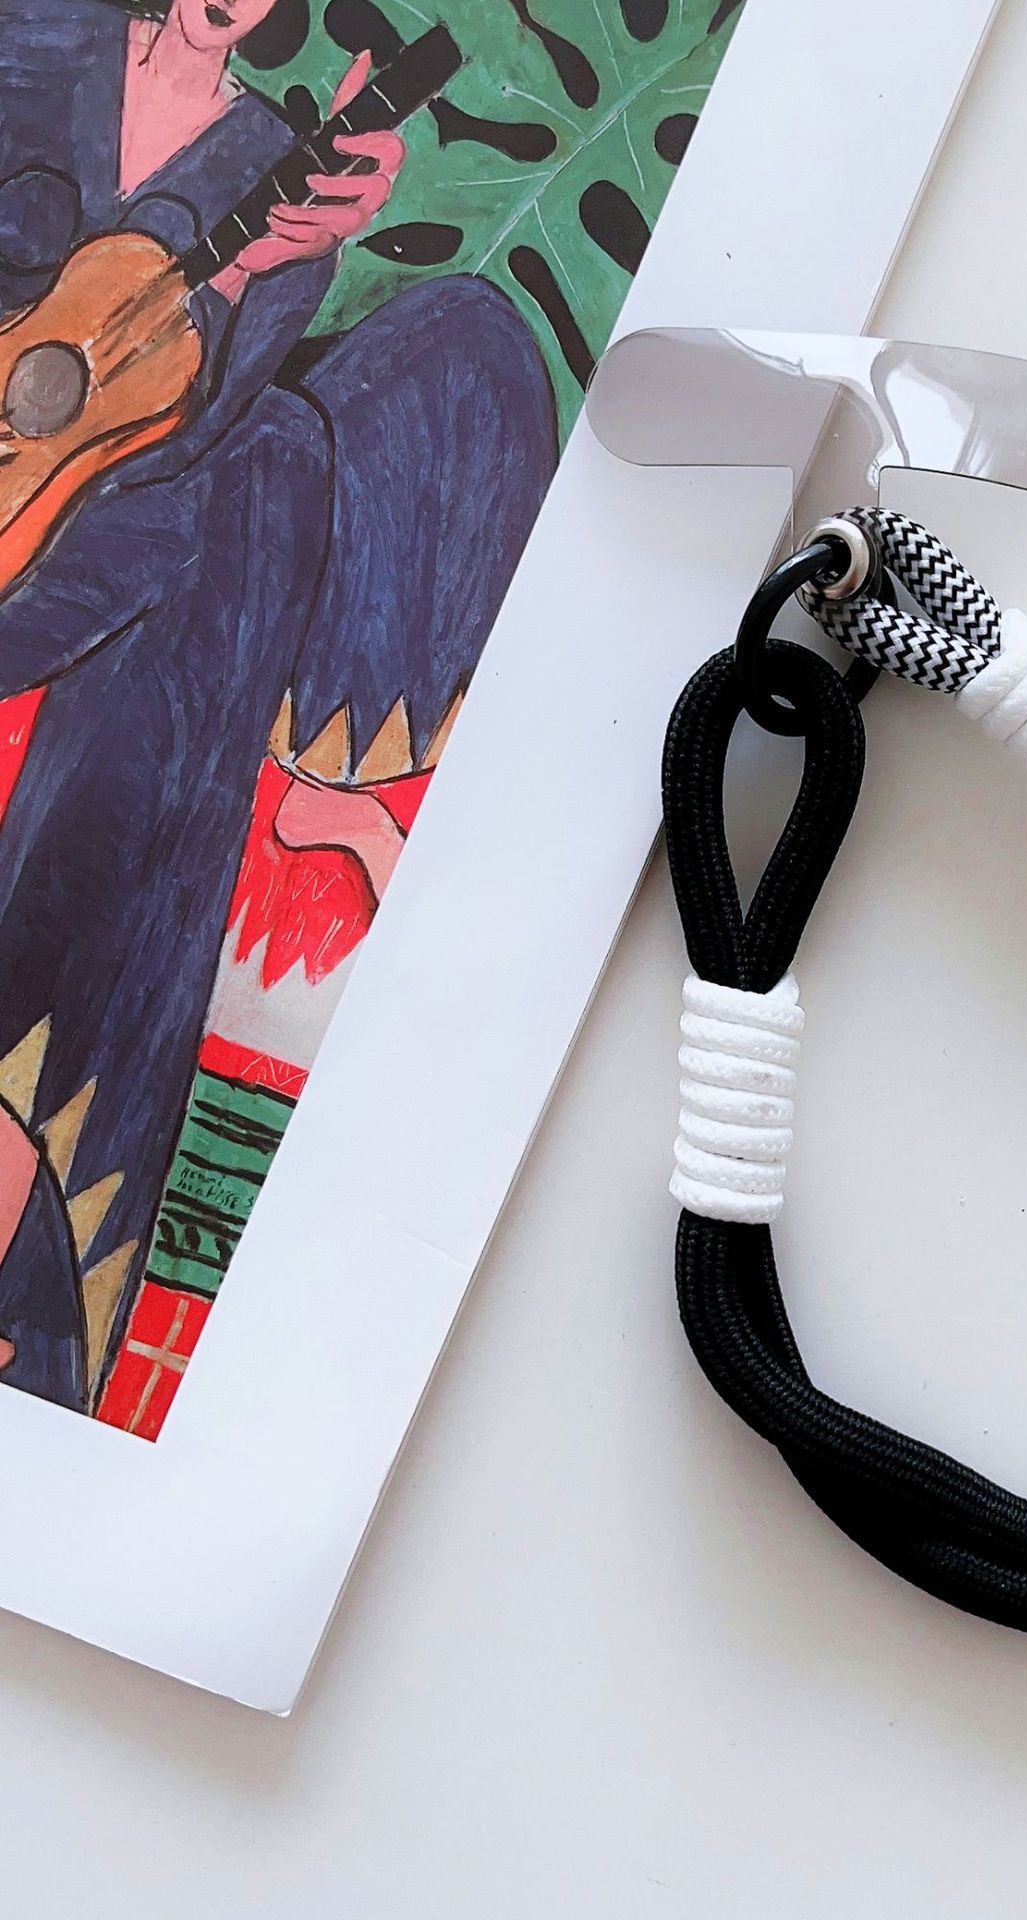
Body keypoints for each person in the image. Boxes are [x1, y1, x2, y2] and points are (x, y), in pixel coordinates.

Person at [0, 0, 557, 1410]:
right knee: (257, 492)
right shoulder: (33, 36)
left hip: (97, 530)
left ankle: (59, 1216)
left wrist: (272, 267)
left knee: (360, 415)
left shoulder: (262, 149)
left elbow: (179, 423)